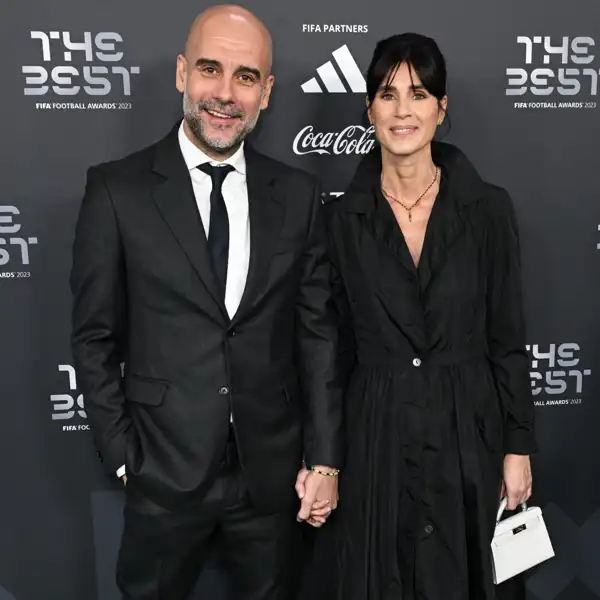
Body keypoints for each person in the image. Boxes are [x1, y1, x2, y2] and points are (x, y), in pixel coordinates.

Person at [70, 5, 342, 599]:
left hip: (273, 480)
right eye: (209, 69)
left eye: (245, 77)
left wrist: (323, 461)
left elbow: (315, 335)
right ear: (180, 74)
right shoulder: (117, 190)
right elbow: (94, 336)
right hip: (162, 472)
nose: (224, 93)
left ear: (266, 92)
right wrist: (125, 458)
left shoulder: (297, 195)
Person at [302, 33, 536, 600]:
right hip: (376, 432)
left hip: (468, 429)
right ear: (368, 107)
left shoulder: (488, 209)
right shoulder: (339, 220)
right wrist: (327, 463)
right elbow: (327, 351)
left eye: (419, 93)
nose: (403, 110)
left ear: (441, 107)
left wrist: (518, 446)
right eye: (387, 94)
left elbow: (507, 337)